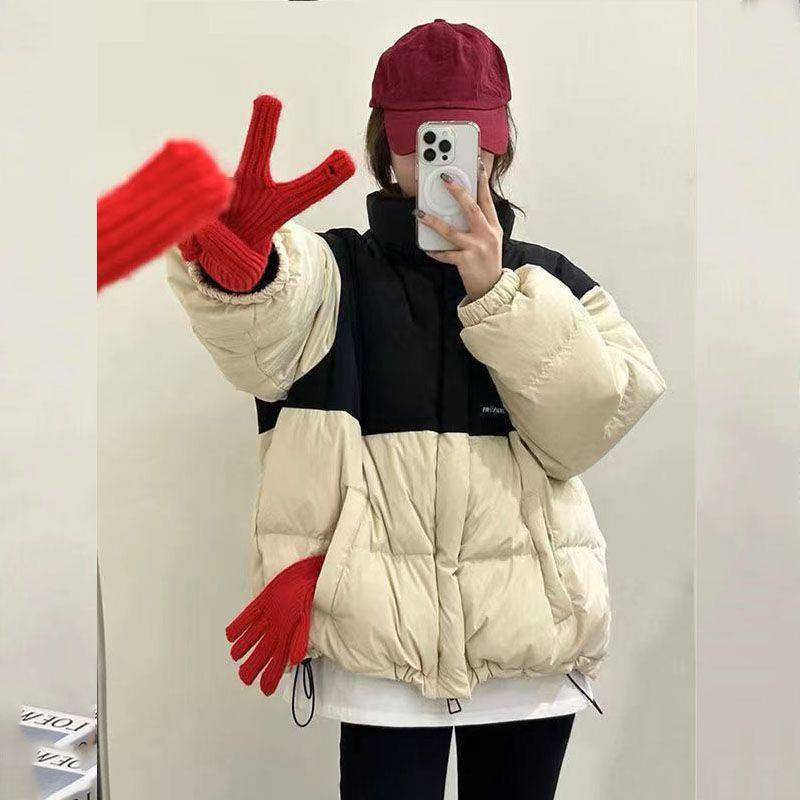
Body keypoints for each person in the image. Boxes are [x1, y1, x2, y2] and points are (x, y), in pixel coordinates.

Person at [166, 18, 666, 800]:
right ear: (386, 145)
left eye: (470, 139)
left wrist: (497, 294)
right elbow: (267, 336)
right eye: (424, 140)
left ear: (500, 145)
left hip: (529, 647)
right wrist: (246, 277)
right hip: (383, 654)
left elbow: (587, 424)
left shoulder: (551, 282)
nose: (450, 162)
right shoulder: (330, 272)